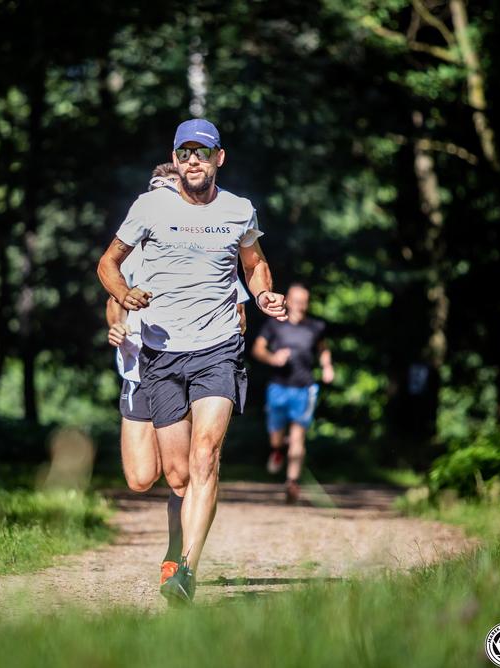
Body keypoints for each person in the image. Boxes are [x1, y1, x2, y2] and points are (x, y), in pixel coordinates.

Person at [98, 118, 287, 603]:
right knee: (177, 475)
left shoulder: (239, 210)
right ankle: (176, 551)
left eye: (202, 152)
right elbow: (107, 264)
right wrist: (124, 294)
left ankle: (186, 571)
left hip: (218, 349)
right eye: (184, 153)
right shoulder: (149, 207)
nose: (193, 161)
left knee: (207, 456)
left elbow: (254, 263)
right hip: (161, 353)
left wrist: (263, 295)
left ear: (219, 158)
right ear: (176, 159)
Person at [105, 159, 250, 590]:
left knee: (190, 467)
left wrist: (226, 346)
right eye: (156, 190)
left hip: (197, 358)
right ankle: (180, 553)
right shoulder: (138, 241)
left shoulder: (202, 245)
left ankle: (180, 560)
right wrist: (116, 323)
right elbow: (113, 297)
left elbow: (238, 299)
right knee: (141, 478)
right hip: (140, 370)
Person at [251, 283, 334, 504]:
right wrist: (273, 358)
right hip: (278, 387)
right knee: (277, 436)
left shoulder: (315, 327)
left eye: (304, 302)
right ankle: (277, 449)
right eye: (296, 301)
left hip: (305, 389)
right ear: (288, 301)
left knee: (298, 437)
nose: (300, 306)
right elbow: (257, 349)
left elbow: (323, 348)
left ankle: (292, 483)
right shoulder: (274, 325)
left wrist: (327, 366)